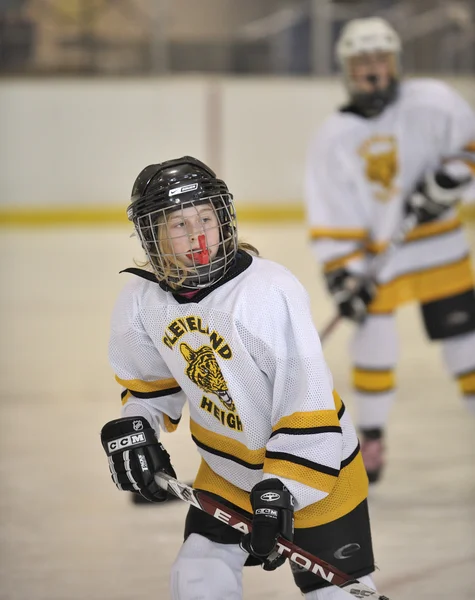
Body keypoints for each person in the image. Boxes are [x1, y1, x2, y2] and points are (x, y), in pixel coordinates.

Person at [100, 156, 377, 599]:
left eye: (205, 218)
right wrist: (135, 425)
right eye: (178, 224)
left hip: (319, 474)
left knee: (336, 594)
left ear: (223, 218)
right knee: (196, 576)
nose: (197, 235)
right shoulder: (140, 300)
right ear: (153, 235)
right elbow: (151, 390)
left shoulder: (268, 292)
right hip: (229, 472)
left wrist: (282, 489)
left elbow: (307, 407)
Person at [304, 17, 475, 484]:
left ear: (396, 61)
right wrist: (343, 273)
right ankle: (372, 436)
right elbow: (330, 211)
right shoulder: (334, 137)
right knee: (373, 341)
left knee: (467, 346)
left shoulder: (434, 101)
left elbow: (469, 147)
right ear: (347, 70)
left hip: (440, 249)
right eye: (363, 62)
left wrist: (450, 181)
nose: (374, 69)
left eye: (381, 58)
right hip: (381, 260)